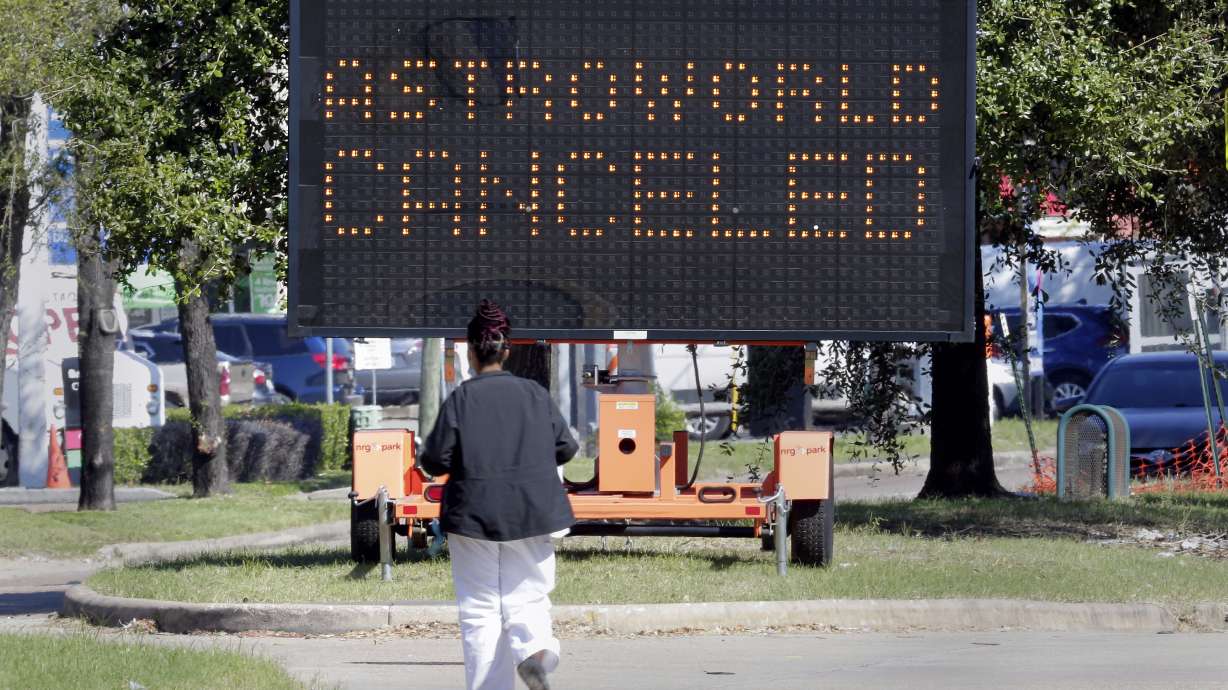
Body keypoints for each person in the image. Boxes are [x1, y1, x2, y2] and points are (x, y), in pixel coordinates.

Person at [419, 299, 578, 690]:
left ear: (471, 351)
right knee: (530, 597)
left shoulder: (461, 399)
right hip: (535, 512)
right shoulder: (534, 394)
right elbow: (567, 448)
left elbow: (436, 460)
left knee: (480, 610)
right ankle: (533, 654)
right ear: (507, 350)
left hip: (473, 516)